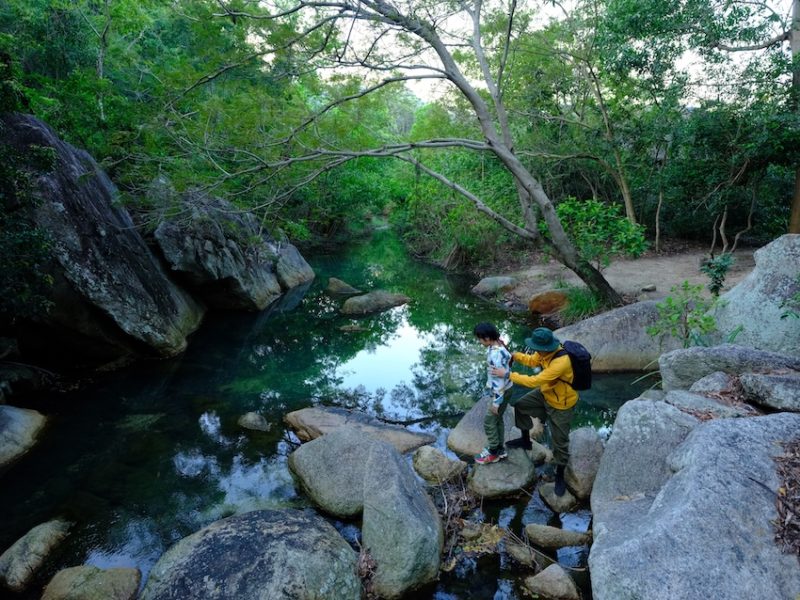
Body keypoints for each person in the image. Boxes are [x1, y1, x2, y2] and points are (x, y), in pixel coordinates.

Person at [491, 327, 578, 496]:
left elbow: (534, 381)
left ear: (547, 347)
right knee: (520, 405)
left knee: (560, 442)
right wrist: (514, 355)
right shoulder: (545, 351)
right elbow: (532, 360)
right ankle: (525, 440)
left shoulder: (561, 361)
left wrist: (508, 374)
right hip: (547, 392)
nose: (536, 351)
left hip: (561, 404)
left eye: (538, 349)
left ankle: (560, 475)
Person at [472, 322, 513, 465]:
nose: (479, 341)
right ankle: (500, 449)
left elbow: (499, 381)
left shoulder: (496, 354)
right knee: (498, 419)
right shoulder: (499, 344)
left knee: (489, 421)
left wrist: (496, 403)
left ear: (487, 338)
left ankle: (493, 452)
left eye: (480, 338)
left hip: (501, 391)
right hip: (507, 388)